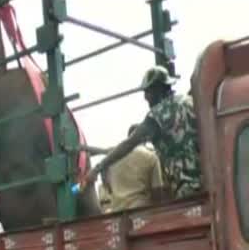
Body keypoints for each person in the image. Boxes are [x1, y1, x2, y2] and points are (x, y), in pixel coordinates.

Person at [84, 66, 201, 199]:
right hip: (209, 182)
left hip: (187, 189)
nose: (145, 97)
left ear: (158, 89)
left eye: (147, 92)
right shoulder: (190, 102)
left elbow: (129, 144)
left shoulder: (159, 114)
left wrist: (97, 168)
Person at [82, 124, 165, 212]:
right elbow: (157, 194)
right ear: (146, 138)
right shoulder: (151, 157)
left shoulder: (113, 156)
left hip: (117, 212)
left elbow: (107, 186)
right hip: (143, 212)